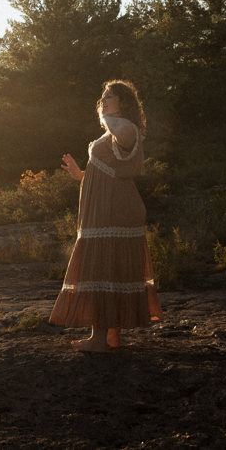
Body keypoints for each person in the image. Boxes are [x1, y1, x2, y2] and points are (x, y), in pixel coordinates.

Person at [49, 79, 163, 352]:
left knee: (102, 267)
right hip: (105, 207)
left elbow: (123, 135)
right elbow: (108, 172)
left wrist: (105, 115)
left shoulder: (127, 128)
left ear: (123, 102)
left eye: (109, 97)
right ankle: (111, 337)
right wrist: (81, 175)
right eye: (102, 97)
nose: (102, 101)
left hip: (115, 208)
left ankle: (98, 339)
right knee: (110, 270)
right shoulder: (111, 132)